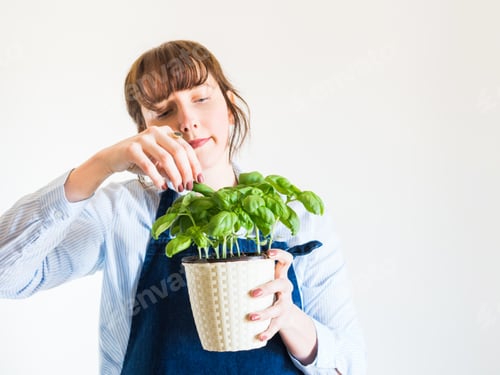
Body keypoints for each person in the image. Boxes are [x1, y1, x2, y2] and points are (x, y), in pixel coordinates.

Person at [0, 40, 366, 374]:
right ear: (143, 131)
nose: (187, 119)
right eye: (163, 111)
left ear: (231, 110)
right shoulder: (122, 212)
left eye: (201, 98)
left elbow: (350, 368)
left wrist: (291, 321)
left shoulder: (297, 218)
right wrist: (99, 166)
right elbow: (8, 276)